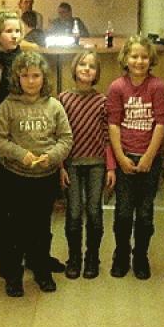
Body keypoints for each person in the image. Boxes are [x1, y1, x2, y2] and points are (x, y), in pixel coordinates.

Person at [0, 51, 73, 296]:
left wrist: (52, 156)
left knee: (41, 228)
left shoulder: (54, 106)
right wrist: (20, 154)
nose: (31, 81)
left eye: (36, 75)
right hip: (15, 177)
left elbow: (66, 139)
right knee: (14, 229)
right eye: (25, 76)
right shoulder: (8, 106)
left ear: (43, 77)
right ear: (17, 77)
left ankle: (41, 270)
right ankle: (13, 275)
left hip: (45, 178)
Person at [106, 35, 164, 279]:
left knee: (144, 213)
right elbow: (113, 124)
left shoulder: (158, 86)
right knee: (123, 212)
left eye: (144, 57)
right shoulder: (116, 87)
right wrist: (120, 157)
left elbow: (161, 123)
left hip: (149, 159)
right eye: (134, 56)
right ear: (125, 59)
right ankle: (121, 255)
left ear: (150, 59)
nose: (139, 61)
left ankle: (140, 256)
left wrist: (149, 156)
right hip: (125, 157)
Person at [59, 51, 116, 279]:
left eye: (92, 66)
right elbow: (57, 135)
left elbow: (108, 136)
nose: (86, 69)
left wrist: (110, 167)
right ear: (74, 68)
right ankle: (74, 258)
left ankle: (92, 257)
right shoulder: (63, 99)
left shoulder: (103, 102)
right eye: (82, 64)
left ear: (97, 73)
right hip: (71, 164)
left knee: (94, 212)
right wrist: (60, 167)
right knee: (73, 213)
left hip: (97, 164)